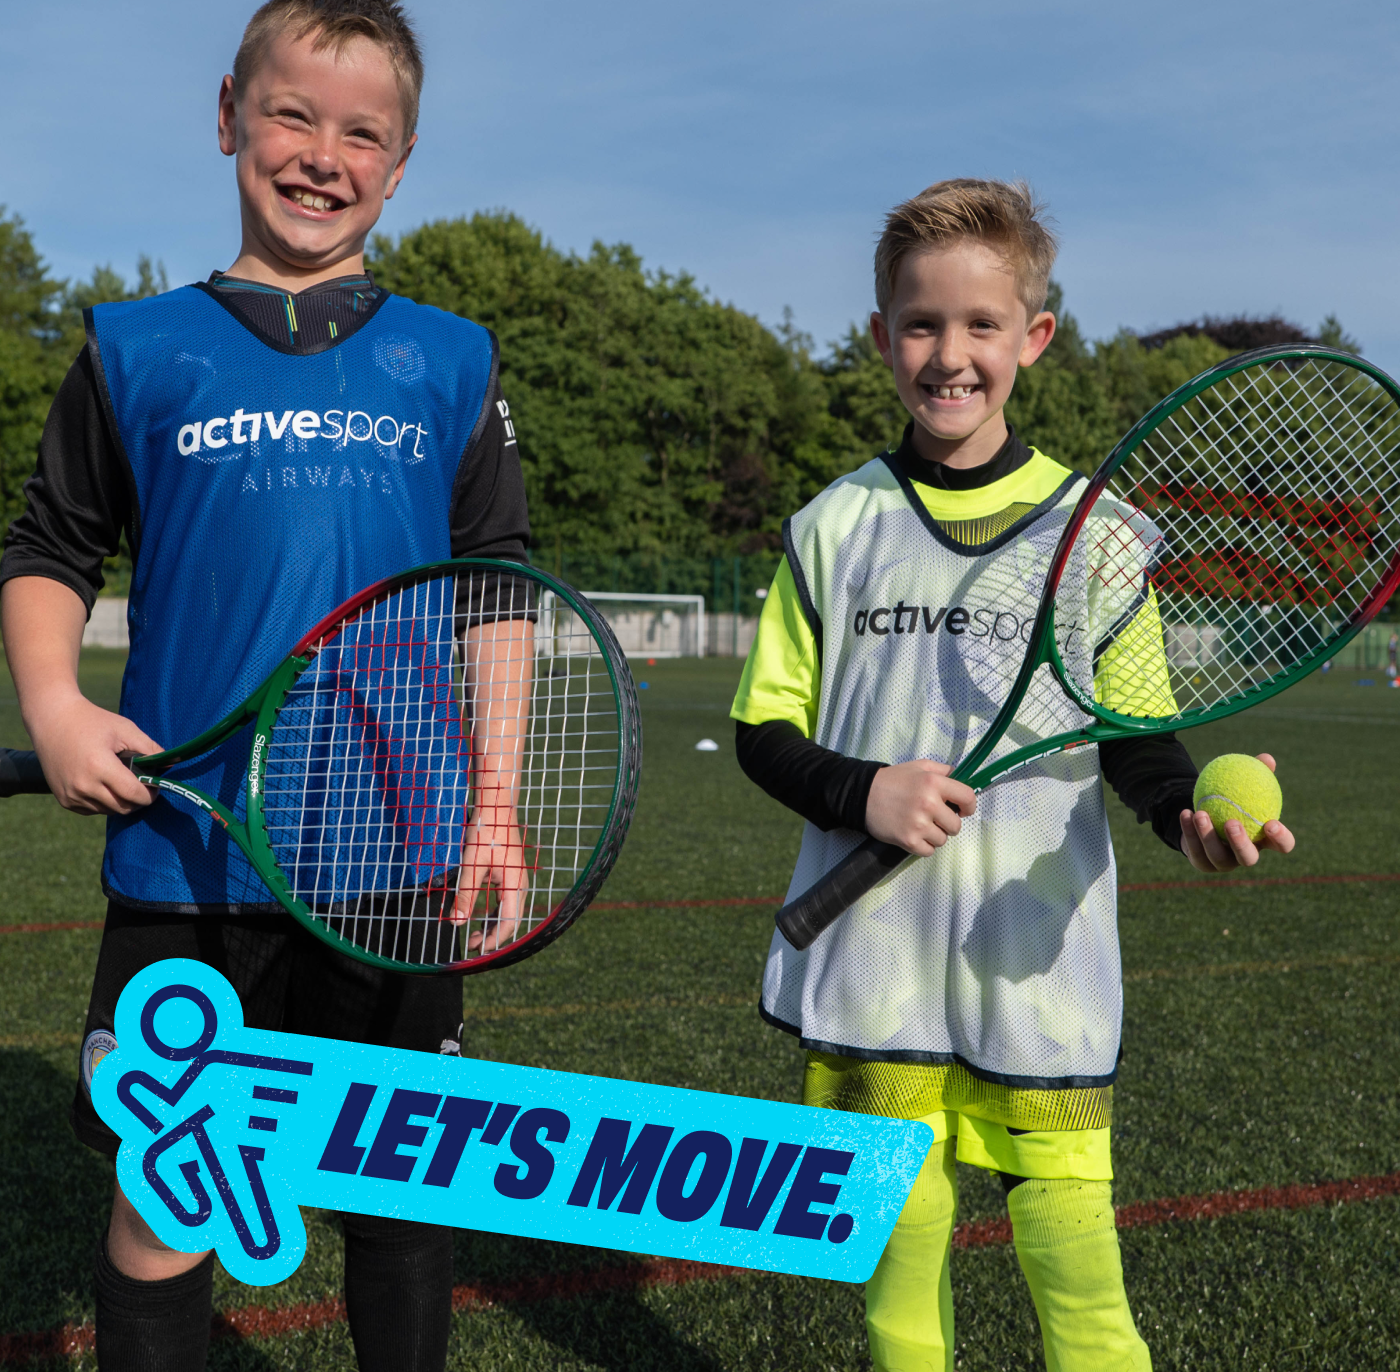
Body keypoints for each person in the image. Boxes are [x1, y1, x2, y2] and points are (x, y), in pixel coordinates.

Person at [0, 3, 530, 1368]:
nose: (321, 154)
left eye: (362, 132)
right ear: (230, 113)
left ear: (400, 165)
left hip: (395, 858)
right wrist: (55, 706)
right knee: (164, 1203)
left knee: (398, 1197)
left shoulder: (451, 358)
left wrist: (494, 800)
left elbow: (496, 589)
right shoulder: (135, 347)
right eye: (292, 114)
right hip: (188, 857)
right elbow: (50, 549)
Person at [730, 178, 1296, 1372]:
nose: (949, 355)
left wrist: (1184, 819)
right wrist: (862, 792)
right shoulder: (831, 527)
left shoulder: (1099, 535)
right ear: (879, 335)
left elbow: (1137, 741)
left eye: (980, 325)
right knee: (898, 1252)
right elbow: (763, 728)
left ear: (1032, 336)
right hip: (872, 957)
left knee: (1073, 1253)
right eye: (920, 324)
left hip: (1037, 954)